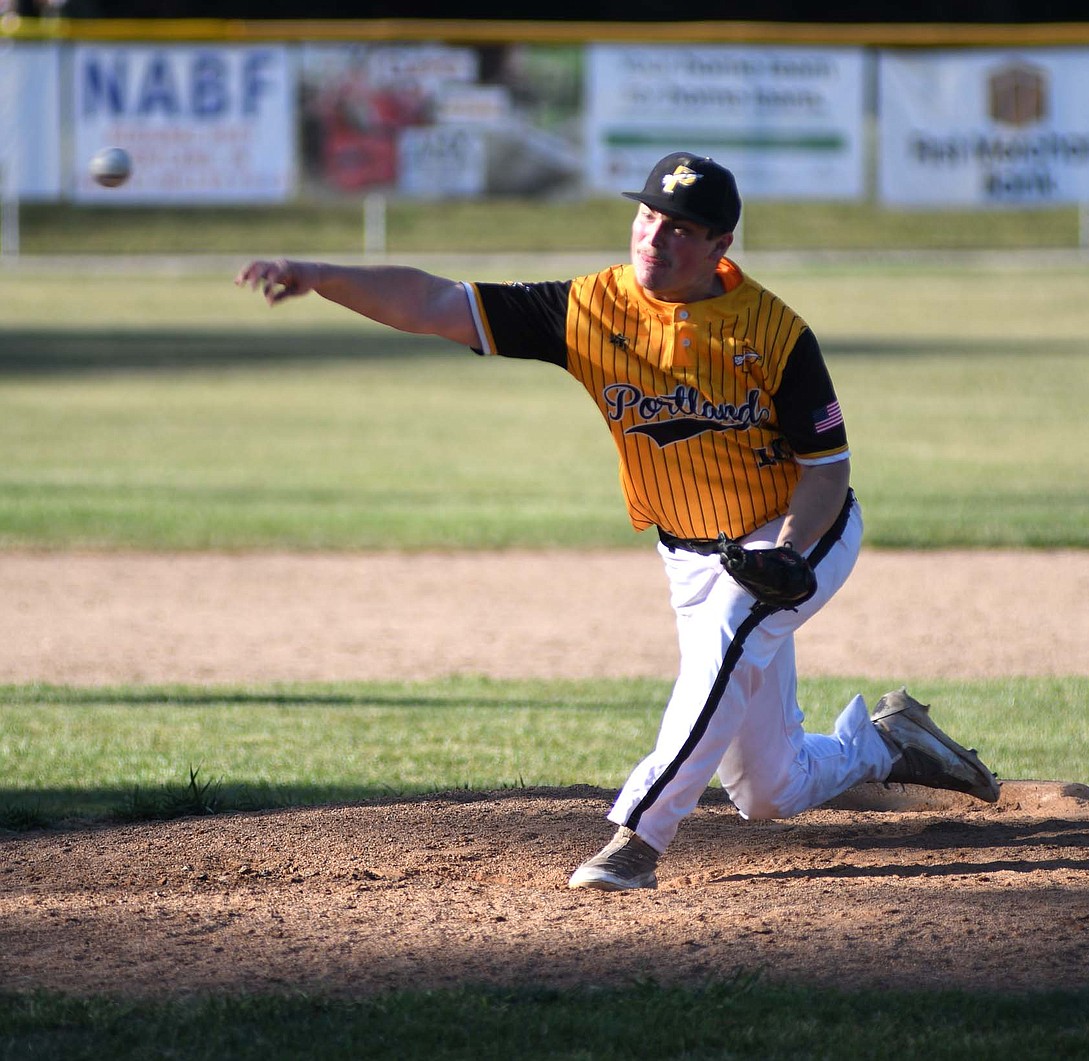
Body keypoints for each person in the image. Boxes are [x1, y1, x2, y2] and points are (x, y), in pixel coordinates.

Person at [236, 152, 1000, 892]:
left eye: (679, 229)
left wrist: (792, 552)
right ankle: (885, 743)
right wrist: (319, 275)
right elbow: (437, 304)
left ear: (718, 246)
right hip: (691, 552)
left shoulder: (774, 332)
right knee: (767, 791)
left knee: (735, 630)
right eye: (646, 216)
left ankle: (638, 836)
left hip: (795, 528)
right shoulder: (591, 310)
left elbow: (827, 467)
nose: (654, 237)